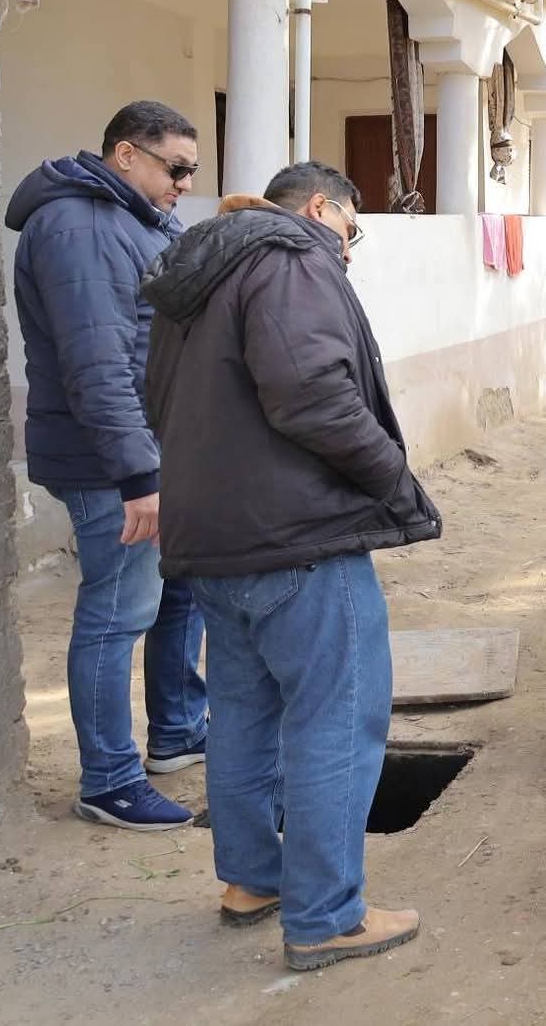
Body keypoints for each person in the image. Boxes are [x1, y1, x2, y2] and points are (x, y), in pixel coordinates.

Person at [143, 162, 440, 972]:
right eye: (352, 228)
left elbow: (155, 398)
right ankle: (326, 916)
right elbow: (312, 395)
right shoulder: (292, 256)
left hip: (215, 537)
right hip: (299, 537)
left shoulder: (203, 266)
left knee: (244, 714)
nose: (349, 247)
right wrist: (394, 478)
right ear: (320, 207)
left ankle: (253, 880)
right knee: (336, 719)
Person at [5, 99, 209, 831]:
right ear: (126, 155)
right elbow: (97, 365)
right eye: (176, 168)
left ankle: (177, 730)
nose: (186, 184)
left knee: (178, 592)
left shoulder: (131, 218)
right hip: (110, 462)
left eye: (191, 170)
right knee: (118, 612)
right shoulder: (80, 227)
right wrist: (138, 477)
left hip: (152, 448)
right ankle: (109, 780)